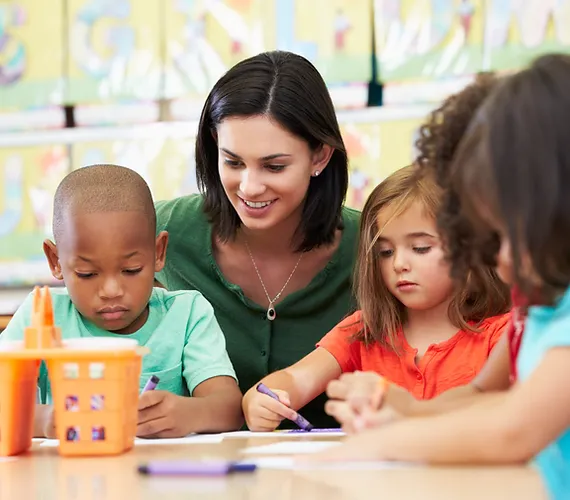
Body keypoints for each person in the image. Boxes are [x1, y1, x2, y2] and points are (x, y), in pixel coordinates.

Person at [311, 53, 570, 499]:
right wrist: (406, 410)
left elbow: (514, 428)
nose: (500, 264)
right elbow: (485, 397)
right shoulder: (541, 309)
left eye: (506, 236)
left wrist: (385, 443)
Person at [155, 51, 360, 428]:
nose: (249, 186)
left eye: (274, 166)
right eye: (232, 162)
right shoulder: (163, 230)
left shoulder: (375, 246)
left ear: (320, 156)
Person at [242, 164, 510, 431]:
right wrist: (261, 400)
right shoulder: (364, 330)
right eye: (385, 252)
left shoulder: (503, 335)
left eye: (420, 248)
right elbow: (295, 379)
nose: (399, 264)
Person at [325, 72, 515, 433]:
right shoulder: (530, 316)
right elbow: (477, 395)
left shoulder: (541, 324)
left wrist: (394, 431)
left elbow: (513, 430)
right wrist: (405, 412)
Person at [1, 164, 243, 438]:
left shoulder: (187, 314)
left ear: (158, 253)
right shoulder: (40, 315)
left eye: (131, 270)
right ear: (55, 261)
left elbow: (230, 408)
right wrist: (43, 420)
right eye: (87, 274)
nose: (111, 290)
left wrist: (189, 414)